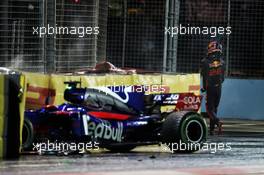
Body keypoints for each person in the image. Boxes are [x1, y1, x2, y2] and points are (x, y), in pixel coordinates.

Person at [201, 41, 225, 135]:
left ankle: (218, 122)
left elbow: (204, 77)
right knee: (215, 108)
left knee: (209, 109)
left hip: (210, 88)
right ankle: (211, 129)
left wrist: (204, 88)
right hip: (219, 88)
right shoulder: (222, 62)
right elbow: (222, 78)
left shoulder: (204, 62)